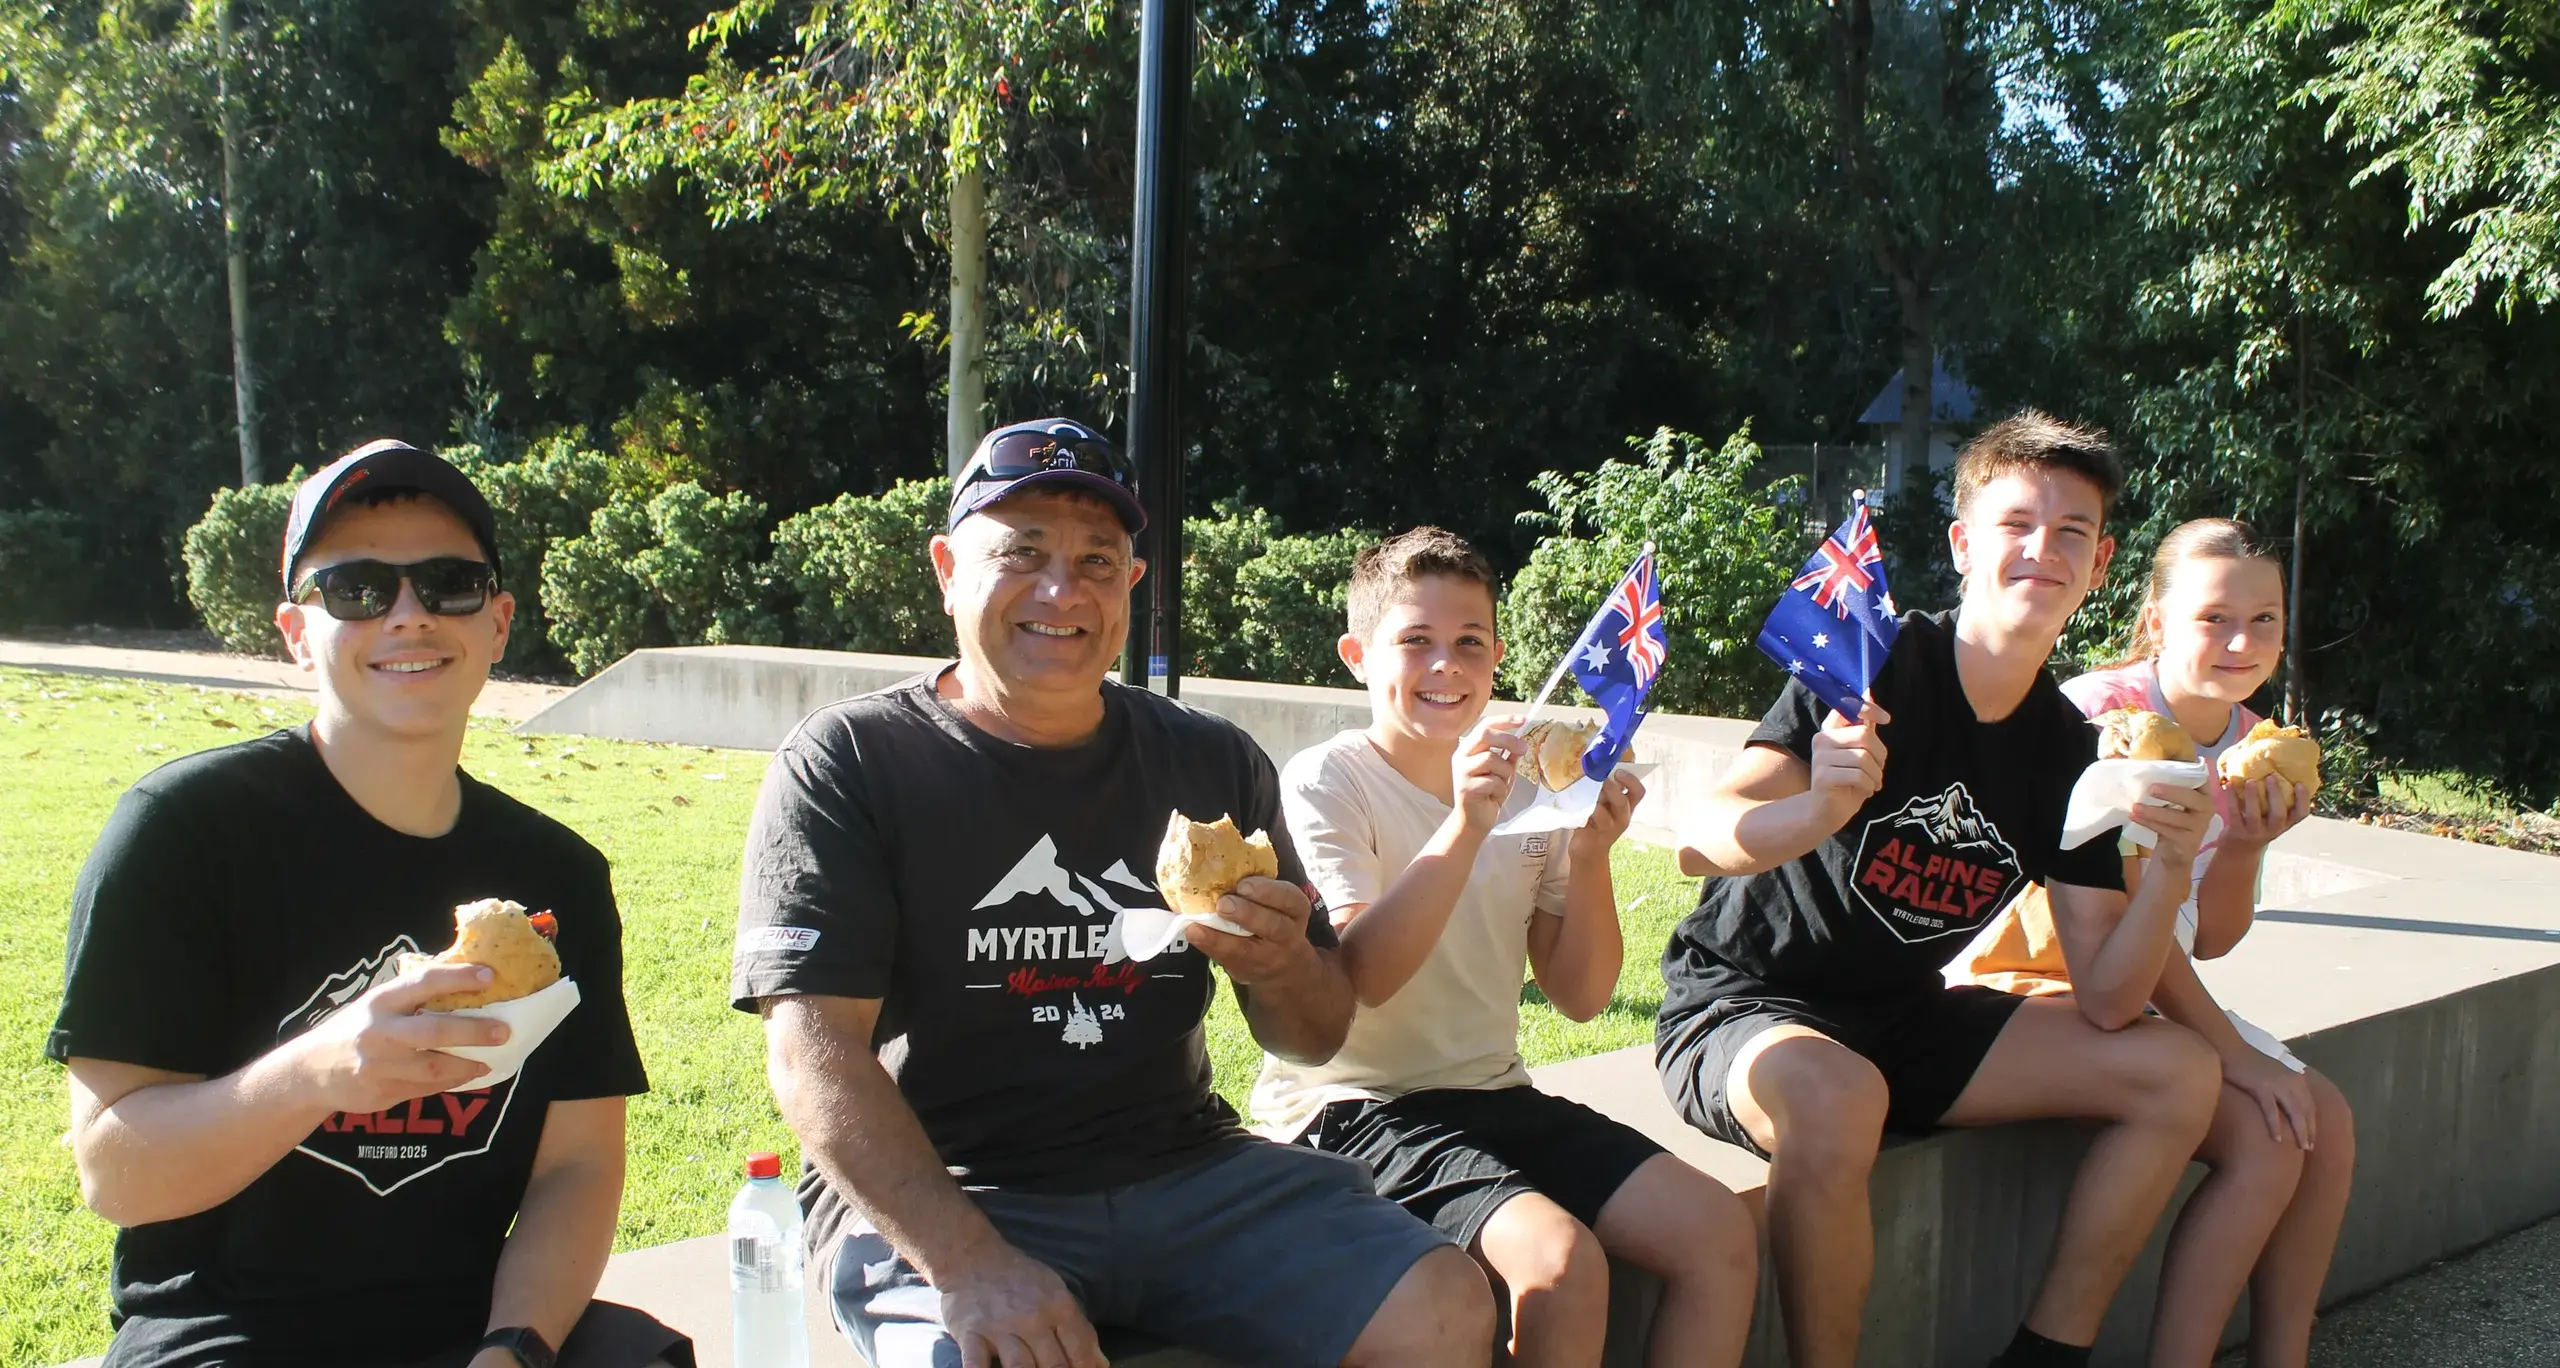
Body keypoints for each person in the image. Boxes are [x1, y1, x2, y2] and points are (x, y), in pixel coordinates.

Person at [730, 419, 1494, 1368]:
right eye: (1022, 552)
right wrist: (970, 1264)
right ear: (946, 569)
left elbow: (1315, 1031)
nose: (1063, 590)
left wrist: (1286, 962)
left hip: (1189, 1168)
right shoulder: (852, 761)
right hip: (956, 1190)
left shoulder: (1208, 759)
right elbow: (811, 1053)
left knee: (1447, 1306)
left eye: (1098, 559)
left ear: (1130, 586)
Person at [49, 440, 683, 1368]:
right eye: (356, 589)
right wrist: (323, 1070)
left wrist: (514, 1349)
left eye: (449, 585)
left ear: (498, 623)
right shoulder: (183, 831)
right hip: (233, 1330)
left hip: (472, 1318)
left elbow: (577, 1166)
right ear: (296, 631)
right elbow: (115, 1173)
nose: (410, 616)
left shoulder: (558, 874)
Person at [1657, 412, 2227, 1368]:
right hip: (1745, 1005)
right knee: (1840, 1098)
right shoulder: (1870, 663)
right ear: (1965, 543)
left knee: (2178, 1075)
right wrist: (1817, 806)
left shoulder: (2070, 754)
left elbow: (2110, 996)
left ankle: (2048, 1354)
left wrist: (2168, 867)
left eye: (2072, 533)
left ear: (2099, 566)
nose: (2043, 550)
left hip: (1903, 1023)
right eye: (2016, 523)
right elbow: (1700, 839)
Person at [1253, 527, 1759, 1368]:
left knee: (1720, 1235)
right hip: (1351, 1108)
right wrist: (1464, 822)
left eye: (1470, 643)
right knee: (1562, 1266)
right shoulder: (1327, 781)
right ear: (1356, 656)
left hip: (1490, 1092)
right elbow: (1363, 978)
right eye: (1415, 642)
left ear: (1498, 658)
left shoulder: (1535, 786)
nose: (1446, 666)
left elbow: (1582, 996)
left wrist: (1588, 853)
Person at [1955, 519, 2355, 1366]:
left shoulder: (2256, 745)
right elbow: (2109, 929)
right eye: (2214, 618)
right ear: (2157, 622)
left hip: (2141, 984)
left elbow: (2207, 938)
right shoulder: (2101, 724)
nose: (2243, 641)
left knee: (2329, 1124)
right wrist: (2234, 1056)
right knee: (2267, 1137)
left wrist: (2246, 845)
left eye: (2266, 620)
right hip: (2043, 975)